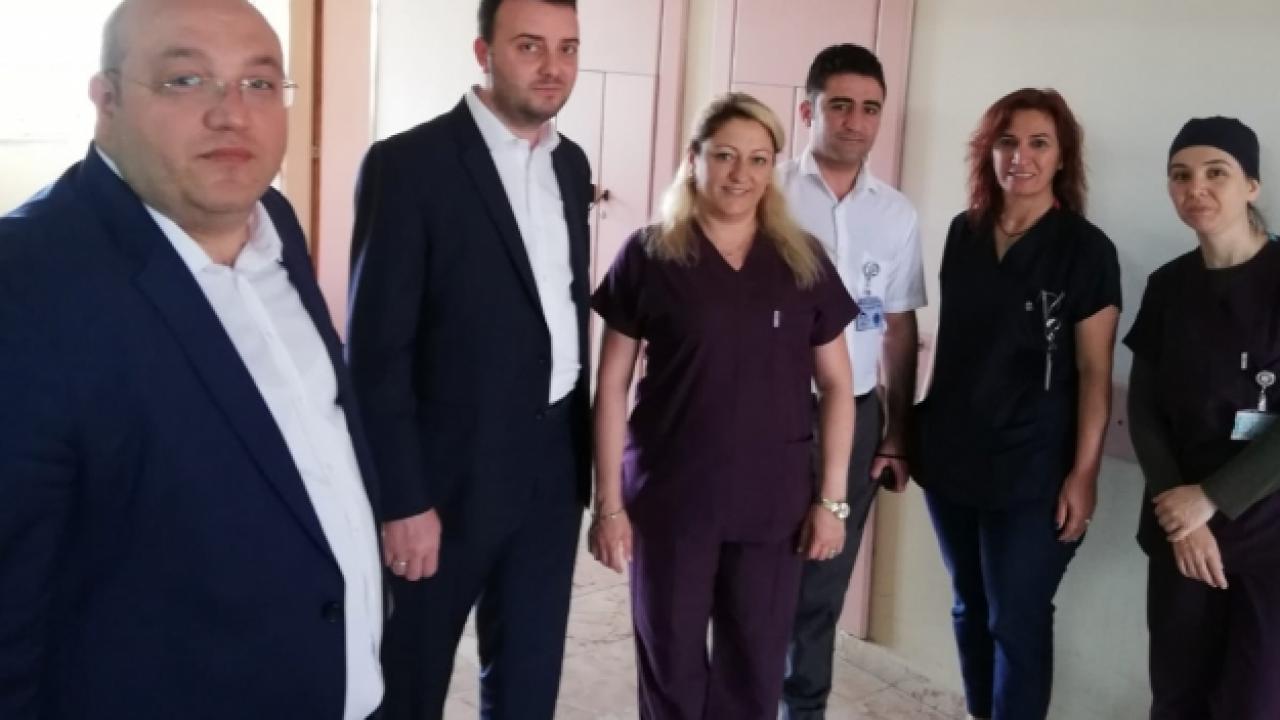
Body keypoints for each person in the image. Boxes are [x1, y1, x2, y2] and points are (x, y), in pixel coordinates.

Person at [0, 1, 384, 718]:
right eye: (185, 80)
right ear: (106, 99)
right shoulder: (24, 282)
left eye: (259, 84)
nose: (232, 114)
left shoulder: (274, 221)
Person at [345, 0, 592, 717]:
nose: (553, 67)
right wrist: (402, 500)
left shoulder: (570, 164)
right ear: (483, 53)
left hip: (552, 468)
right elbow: (375, 353)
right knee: (409, 682)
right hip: (446, 480)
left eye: (568, 48)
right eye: (530, 46)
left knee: (528, 681)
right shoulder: (408, 166)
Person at [589, 92, 859, 719]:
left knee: (755, 670)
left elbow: (838, 386)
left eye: (759, 159)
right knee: (670, 668)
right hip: (671, 500)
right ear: (694, 159)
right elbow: (611, 387)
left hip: (773, 505)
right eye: (725, 156)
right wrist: (608, 504)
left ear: (773, 168)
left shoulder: (801, 259)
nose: (741, 174)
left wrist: (832, 501)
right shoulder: (649, 254)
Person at [911, 88, 1121, 720]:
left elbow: (1094, 372)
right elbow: (951, 343)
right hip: (952, 458)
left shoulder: (1086, 250)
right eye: (1007, 142)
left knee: (1016, 617)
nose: (1020, 157)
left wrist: (1083, 474)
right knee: (969, 607)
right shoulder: (964, 232)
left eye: (1038, 143)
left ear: (1063, 157)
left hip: (1035, 468)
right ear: (988, 151)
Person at [776, 43, 926, 719]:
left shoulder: (896, 214)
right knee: (752, 576)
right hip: (766, 416)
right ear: (808, 111)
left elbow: (898, 328)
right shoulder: (767, 192)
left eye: (870, 108)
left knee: (822, 585)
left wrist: (897, 434)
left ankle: (802, 709)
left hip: (857, 417)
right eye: (840, 105)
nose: (856, 121)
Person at [1125, 116, 1280, 719]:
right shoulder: (1168, 287)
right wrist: (1181, 514)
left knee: (1255, 703)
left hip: (1268, 534)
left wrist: (1211, 498)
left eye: (1217, 173)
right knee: (1177, 695)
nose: (1197, 188)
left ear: (1252, 186)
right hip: (1181, 535)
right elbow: (1143, 408)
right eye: (1180, 175)